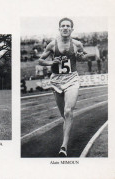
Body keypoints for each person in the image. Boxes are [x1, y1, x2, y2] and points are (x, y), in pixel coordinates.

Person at [38, 17, 89, 157]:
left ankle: (63, 147)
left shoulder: (77, 44)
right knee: (64, 116)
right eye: (63, 26)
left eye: (68, 26)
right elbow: (40, 60)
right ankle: (67, 128)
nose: (65, 28)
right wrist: (51, 63)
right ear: (59, 28)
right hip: (56, 81)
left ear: (72, 29)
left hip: (72, 78)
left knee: (68, 111)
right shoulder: (52, 45)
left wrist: (80, 56)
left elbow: (84, 56)